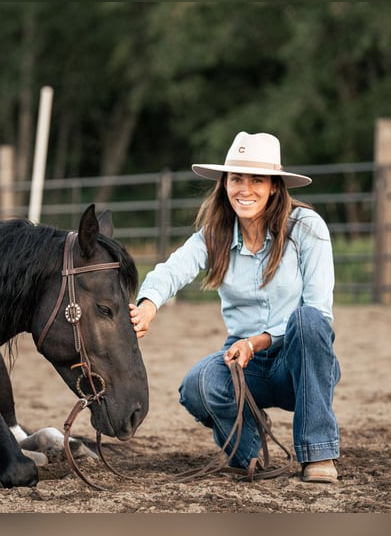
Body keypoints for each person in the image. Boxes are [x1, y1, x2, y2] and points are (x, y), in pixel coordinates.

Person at [129, 131, 341, 483]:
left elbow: (320, 311)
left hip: (300, 360)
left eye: (257, 179)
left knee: (308, 320)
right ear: (225, 183)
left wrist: (257, 342)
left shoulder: (307, 228)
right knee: (197, 386)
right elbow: (172, 269)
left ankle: (319, 454)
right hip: (244, 362)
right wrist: (148, 304)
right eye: (236, 178)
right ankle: (249, 451)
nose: (245, 189)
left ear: (274, 185)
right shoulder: (215, 234)